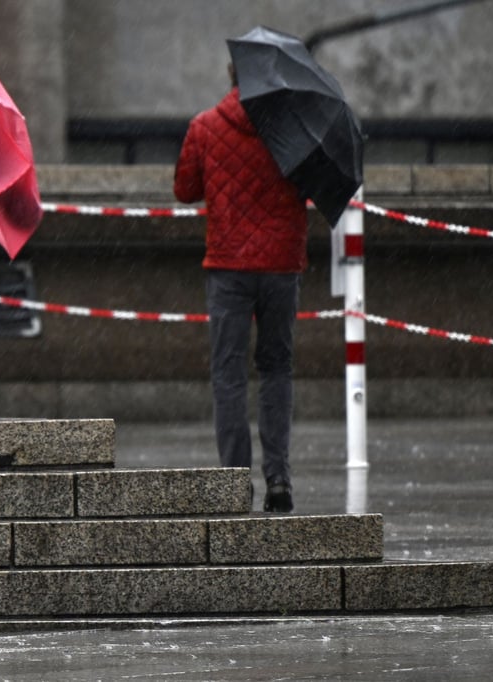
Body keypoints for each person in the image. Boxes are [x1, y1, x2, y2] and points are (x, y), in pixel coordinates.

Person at [173, 59, 307, 513]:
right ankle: (279, 478)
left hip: (229, 265)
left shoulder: (205, 126)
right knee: (276, 368)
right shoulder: (294, 130)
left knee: (228, 373)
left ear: (231, 78)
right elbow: (313, 186)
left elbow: (185, 188)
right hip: (281, 266)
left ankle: (234, 480)